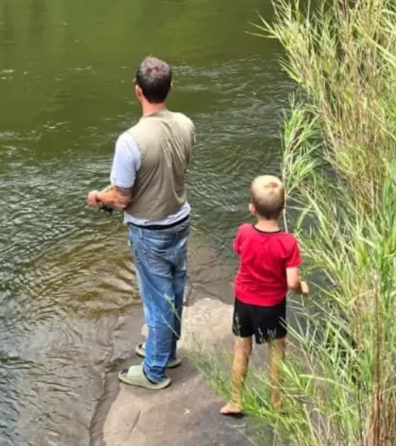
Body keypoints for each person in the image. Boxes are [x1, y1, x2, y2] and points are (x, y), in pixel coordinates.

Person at [86, 56, 195, 391]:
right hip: (181, 220)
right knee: (174, 290)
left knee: (157, 299)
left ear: (137, 91)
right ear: (170, 89)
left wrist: (97, 198)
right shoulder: (186, 124)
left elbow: (122, 198)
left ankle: (154, 371)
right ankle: (167, 351)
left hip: (150, 231)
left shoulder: (129, 141)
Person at [221, 175, 308, 415]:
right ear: (283, 208)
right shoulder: (288, 242)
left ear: (252, 208)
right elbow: (291, 282)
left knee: (241, 349)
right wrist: (303, 287)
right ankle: (276, 402)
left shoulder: (244, 231)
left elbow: (241, 251)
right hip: (271, 306)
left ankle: (235, 400)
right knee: (276, 351)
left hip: (244, 302)